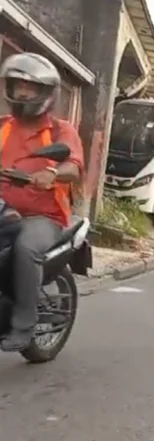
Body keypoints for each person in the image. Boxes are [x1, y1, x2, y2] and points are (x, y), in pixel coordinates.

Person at [0, 53, 84, 352]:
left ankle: (24, 323)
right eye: (18, 85)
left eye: (30, 88)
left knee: (25, 248)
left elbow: (73, 167)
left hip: (42, 215)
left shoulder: (61, 131)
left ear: (46, 93)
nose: (23, 93)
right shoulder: (3, 126)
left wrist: (51, 172)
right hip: (3, 209)